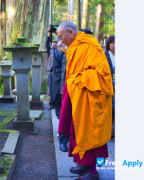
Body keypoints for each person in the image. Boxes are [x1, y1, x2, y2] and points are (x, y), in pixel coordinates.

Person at [57, 22, 113, 180]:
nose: (61, 39)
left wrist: (76, 80)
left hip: (91, 99)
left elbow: (102, 75)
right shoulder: (76, 45)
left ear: (70, 32)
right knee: (77, 131)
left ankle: (92, 172)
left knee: (90, 133)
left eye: (62, 36)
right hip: (80, 97)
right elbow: (76, 68)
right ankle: (82, 164)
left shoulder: (89, 45)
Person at [57, 40, 69, 152]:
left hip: (82, 87)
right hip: (66, 86)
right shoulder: (65, 50)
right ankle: (63, 141)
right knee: (65, 115)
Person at [105, 36, 115, 137]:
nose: (114, 45)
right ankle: (108, 132)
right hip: (108, 85)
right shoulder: (105, 55)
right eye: (112, 43)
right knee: (109, 109)